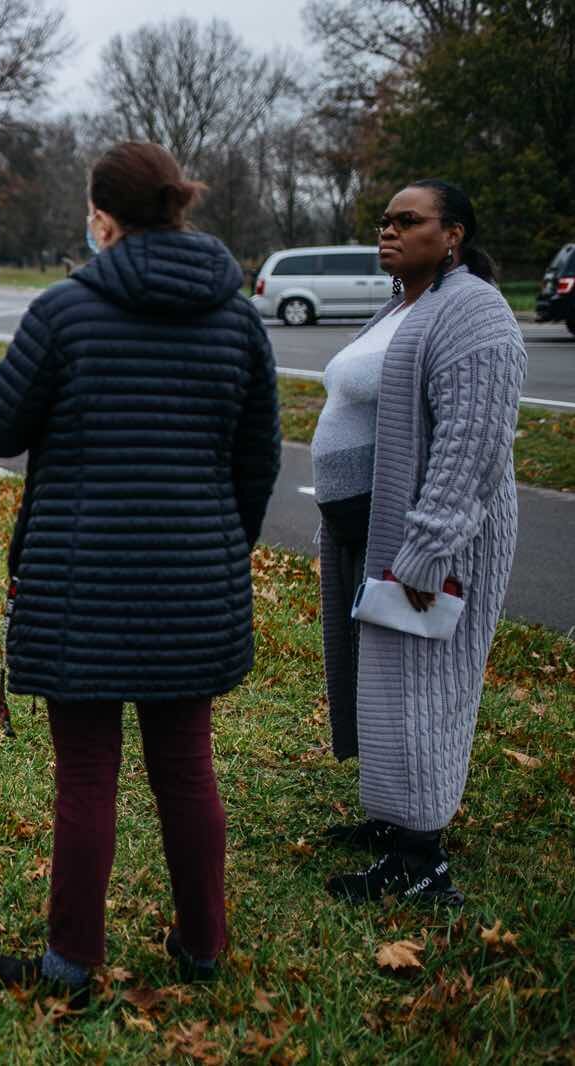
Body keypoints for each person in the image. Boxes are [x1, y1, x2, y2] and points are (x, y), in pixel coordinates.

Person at [0, 142, 281, 1005]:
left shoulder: (66, 311)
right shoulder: (235, 317)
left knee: (86, 774)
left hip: (80, 589)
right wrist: (218, 547)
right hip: (195, 585)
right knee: (185, 767)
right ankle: (203, 945)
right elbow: (258, 462)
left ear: (101, 215)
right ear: (177, 207)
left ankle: (71, 961)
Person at [317, 180, 525, 905]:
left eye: (408, 221)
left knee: (421, 690)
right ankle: (392, 818)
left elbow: (473, 443)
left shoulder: (473, 312)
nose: (388, 232)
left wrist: (428, 550)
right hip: (370, 530)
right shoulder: (404, 304)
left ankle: (421, 860)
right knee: (379, 686)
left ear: (453, 235)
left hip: (428, 539)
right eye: (384, 221)